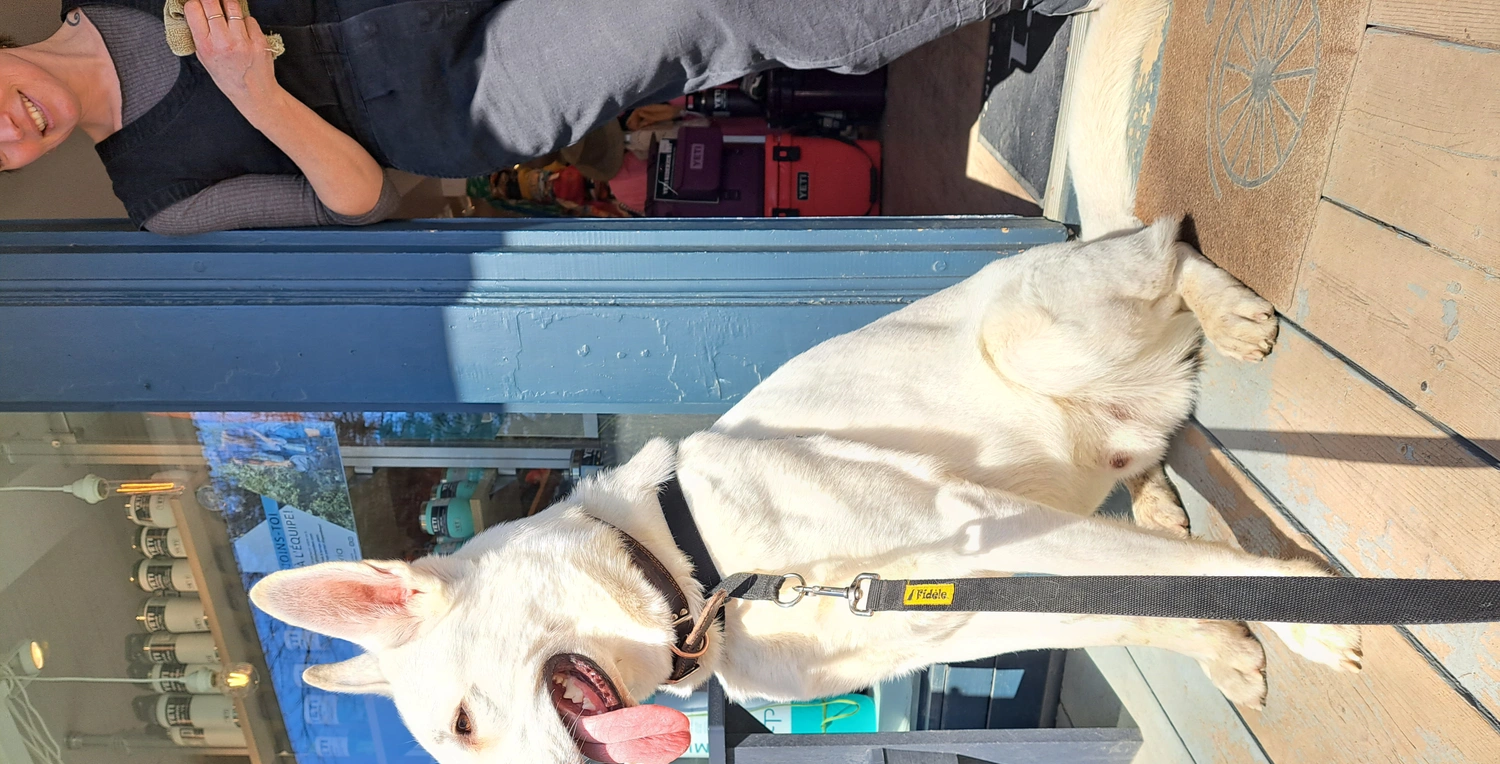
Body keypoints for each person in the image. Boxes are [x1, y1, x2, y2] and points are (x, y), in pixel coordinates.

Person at [0, 0, 1090, 234]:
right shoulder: (161, 195)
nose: (8, 134)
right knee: (696, 11)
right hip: (462, 97)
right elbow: (356, 199)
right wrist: (255, 95)